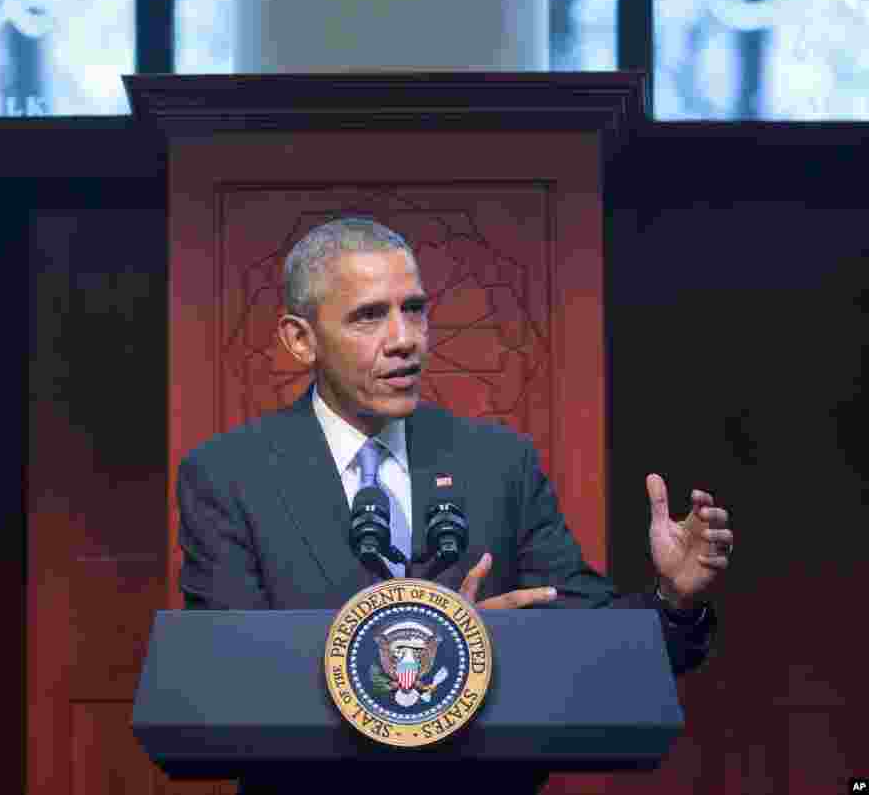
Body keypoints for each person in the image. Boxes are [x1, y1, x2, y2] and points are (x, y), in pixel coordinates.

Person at [176, 217, 732, 792]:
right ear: (301, 339)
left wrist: (674, 600)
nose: (404, 339)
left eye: (414, 309)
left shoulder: (498, 463)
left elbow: (592, 646)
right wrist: (436, 633)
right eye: (369, 316)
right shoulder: (228, 476)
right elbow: (229, 680)